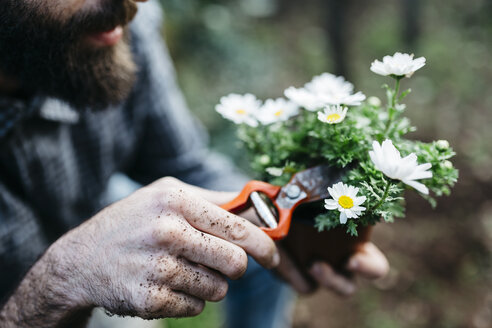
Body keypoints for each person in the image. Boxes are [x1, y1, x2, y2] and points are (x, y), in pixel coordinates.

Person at [0, 0, 389, 327]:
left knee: (262, 260)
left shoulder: (115, 28)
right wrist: (61, 280)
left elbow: (183, 166)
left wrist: (295, 231)